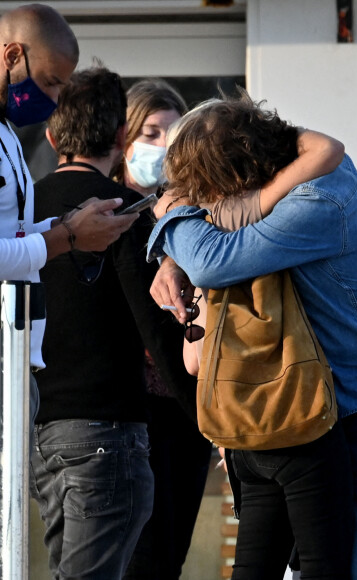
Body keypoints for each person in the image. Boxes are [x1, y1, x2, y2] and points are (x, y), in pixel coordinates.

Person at [148, 90, 357, 580]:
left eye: (203, 188)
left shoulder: (317, 200)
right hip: (332, 400)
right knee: (316, 561)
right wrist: (170, 255)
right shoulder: (281, 192)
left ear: (231, 175)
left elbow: (213, 258)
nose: (202, 200)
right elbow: (219, 240)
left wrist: (169, 215)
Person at [157, 95, 353, 580]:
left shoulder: (205, 246)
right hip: (302, 426)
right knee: (325, 568)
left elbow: (194, 361)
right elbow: (328, 148)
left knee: (253, 569)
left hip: (244, 439)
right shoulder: (282, 218)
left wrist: (172, 230)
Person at [30, 65, 195, 580]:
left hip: (42, 429)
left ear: (53, 136)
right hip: (108, 429)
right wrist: (207, 415)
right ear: (122, 136)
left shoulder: (26, 212)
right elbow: (155, 324)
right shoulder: (123, 213)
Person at [0, 4, 138, 427]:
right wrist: (68, 239)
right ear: (12, 56)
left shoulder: (7, 132)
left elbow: (12, 233)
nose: (56, 99)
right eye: (50, 82)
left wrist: (62, 226)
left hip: (17, 355)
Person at [117, 79, 213, 580]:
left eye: (172, 137)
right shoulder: (109, 217)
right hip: (137, 414)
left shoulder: (191, 220)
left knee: (169, 556)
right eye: (151, 132)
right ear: (124, 136)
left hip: (186, 410)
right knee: (144, 558)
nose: (160, 147)